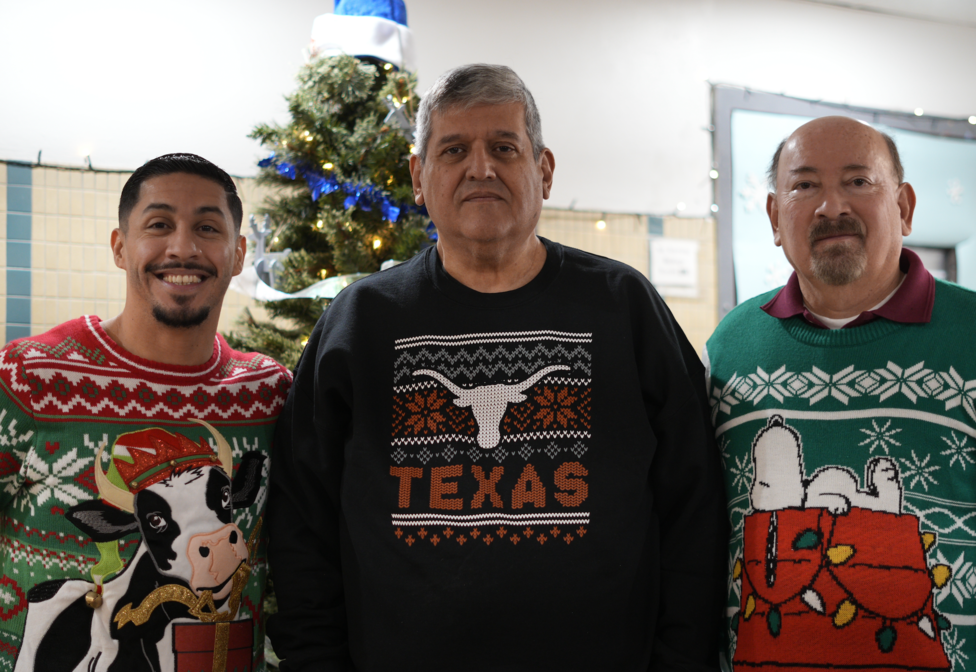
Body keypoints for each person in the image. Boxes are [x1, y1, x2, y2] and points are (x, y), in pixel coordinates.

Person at [267, 63, 726, 671]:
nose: (479, 167)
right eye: (453, 148)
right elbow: (301, 519)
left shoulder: (624, 307)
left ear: (544, 170)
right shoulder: (362, 320)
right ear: (419, 178)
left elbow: (694, 502)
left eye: (503, 147)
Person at [705, 116, 976, 671]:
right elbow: (703, 557)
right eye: (804, 185)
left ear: (903, 207)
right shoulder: (727, 352)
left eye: (858, 181)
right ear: (776, 217)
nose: (832, 207)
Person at [0, 154, 292, 672]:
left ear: (239, 252)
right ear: (120, 247)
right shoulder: (28, 380)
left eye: (207, 227)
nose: (183, 247)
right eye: (159, 225)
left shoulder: (269, 394)